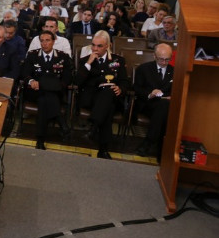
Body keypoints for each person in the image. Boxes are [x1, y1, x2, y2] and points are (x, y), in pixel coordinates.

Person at [74, 30, 130, 159]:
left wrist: (121, 88)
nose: (95, 48)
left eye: (99, 46)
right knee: (108, 107)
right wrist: (88, 64)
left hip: (112, 97)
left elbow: (125, 81)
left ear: (108, 46)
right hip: (91, 98)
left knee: (108, 95)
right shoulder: (85, 61)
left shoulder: (118, 60)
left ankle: (93, 128)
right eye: (93, 45)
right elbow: (77, 82)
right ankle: (103, 149)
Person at [21, 31, 73, 149]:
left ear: (53, 41)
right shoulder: (32, 55)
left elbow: (68, 77)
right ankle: (62, 123)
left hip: (55, 92)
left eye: (48, 40)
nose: (44, 43)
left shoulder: (62, 56)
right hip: (35, 91)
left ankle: (40, 139)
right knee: (45, 97)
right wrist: (31, 81)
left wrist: (58, 86)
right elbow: (24, 73)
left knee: (44, 100)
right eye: (42, 41)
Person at [133, 43, 174, 160]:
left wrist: (172, 97)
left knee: (164, 107)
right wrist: (150, 93)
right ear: (154, 56)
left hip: (165, 105)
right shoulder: (143, 69)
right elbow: (136, 88)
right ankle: (161, 151)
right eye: (161, 59)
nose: (164, 62)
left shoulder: (174, 71)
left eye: (167, 59)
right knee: (165, 112)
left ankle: (149, 142)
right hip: (147, 104)